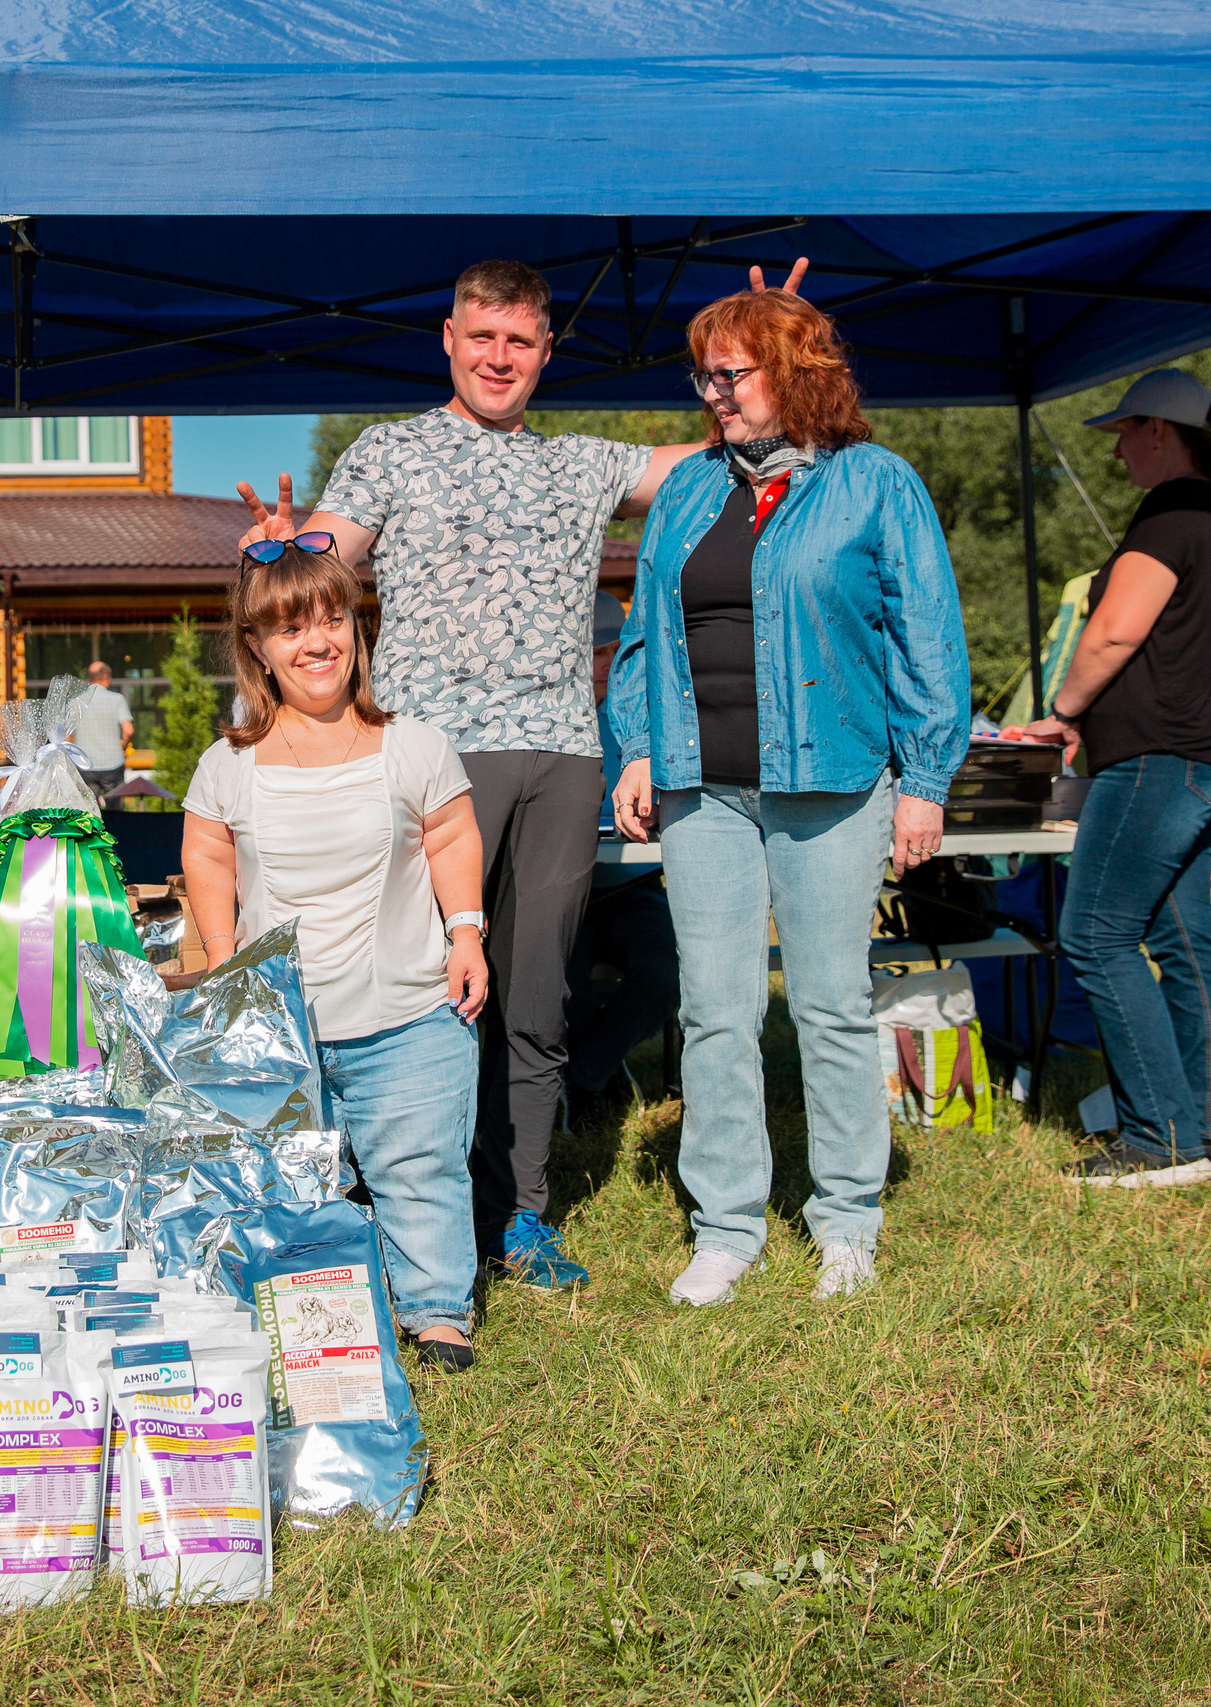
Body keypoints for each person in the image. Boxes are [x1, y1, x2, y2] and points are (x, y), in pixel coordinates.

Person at [233, 254, 807, 1293]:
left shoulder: (583, 464)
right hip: (427, 759)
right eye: (482, 337)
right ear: (449, 341)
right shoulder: (391, 450)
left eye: (519, 341)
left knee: (535, 998)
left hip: (561, 758)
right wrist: (284, 550)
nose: (499, 357)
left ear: (546, 353)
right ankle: (398, 1208)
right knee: (419, 999)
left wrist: (777, 352)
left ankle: (519, 1215)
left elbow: (739, 443)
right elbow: (325, 550)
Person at [610, 287, 968, 1306]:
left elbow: (927, 633)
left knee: (829, 1004)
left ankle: (846, 1220)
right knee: (713, 1012)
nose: (713, 394)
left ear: (795, 374)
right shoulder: (689, 489)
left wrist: (924, 780)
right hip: (702, 791)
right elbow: (644, 632)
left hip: (835, 780)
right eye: (704, 376)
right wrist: (637, 747)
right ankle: (726, 1228)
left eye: (732, 374)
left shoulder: (875, 483)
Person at [183, 536, 491, 1368]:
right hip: (282, 1035)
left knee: (420, 1168)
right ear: (257, 647)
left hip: (410, 1017)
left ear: (357, 629)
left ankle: (436, 1311)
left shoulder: (415, 745)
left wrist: (466, 931)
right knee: (289, 1187)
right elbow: (206, 851)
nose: (317, 643)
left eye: (332, 620)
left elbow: (452, 833)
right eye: (291, 629)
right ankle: (309, 1316)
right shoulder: (228, 763)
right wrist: (225, 961)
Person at [1012, 369, 1211, 1185]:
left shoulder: (1170, 512)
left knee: (1095, 933)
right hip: (1198, 755)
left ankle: (1159, 1137)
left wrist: (1062, 711)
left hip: (1157, 759)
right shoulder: (1209, 515)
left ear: (1158, 428)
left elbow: (1116, 629)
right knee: (1183, 940)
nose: (1116, 450)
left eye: (1123, 432)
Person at [564, 596, 679, 1120]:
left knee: (665, 973)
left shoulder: (648, 720)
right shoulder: (555, 718)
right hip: (568, 887)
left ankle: (586, 1075)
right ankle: (594, 1079)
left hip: (634, 886)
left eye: (617, 651)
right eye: (596, 652)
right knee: (565, 983)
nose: (607, 663)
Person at [74, 660, 135, 792]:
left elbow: (67, 737)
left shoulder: (77, 701)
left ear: (89, 678)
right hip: (113, 763)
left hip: (85, 764)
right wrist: (123, 747)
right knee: (114, 804)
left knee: (90, 804)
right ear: (106, 677)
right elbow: (129, 730)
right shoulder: (117, 699)